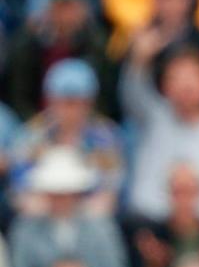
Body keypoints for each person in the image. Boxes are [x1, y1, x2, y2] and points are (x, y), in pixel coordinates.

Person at [121, 39, 199, 225]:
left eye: (194, 77)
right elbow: (133, 92)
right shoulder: (151, 119)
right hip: (150, 224)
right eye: (178, 77)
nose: (186, 85)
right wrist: (139, 61)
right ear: (164, 86)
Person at [9, 148, 128, 267]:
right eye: (55, 193)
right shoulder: (24, 229)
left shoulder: (102, 227)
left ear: (77, 193)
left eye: (66, 192)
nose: (61, 199)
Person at [8, 59, 125, 215]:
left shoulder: (106, 137)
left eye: (76, 103)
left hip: (89, 217)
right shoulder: (33, 134)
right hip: (41, 215)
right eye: (63, 102)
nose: (69, 111)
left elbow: (110, 191)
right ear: (50, 101)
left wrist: (75, 209)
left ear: (89, 103)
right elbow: (18, 187)